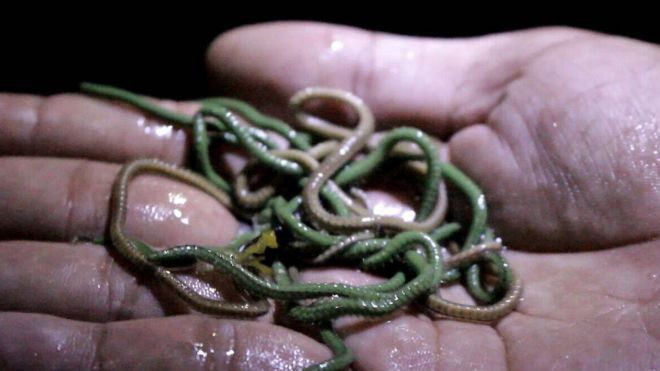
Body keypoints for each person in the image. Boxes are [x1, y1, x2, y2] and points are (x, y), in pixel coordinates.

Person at [1, 21, 659, 370]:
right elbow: (277, 230)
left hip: (350, 231)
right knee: (243, 192)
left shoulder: (422, 235)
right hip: (296, 222)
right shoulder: (291, 208)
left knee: (273, 238)